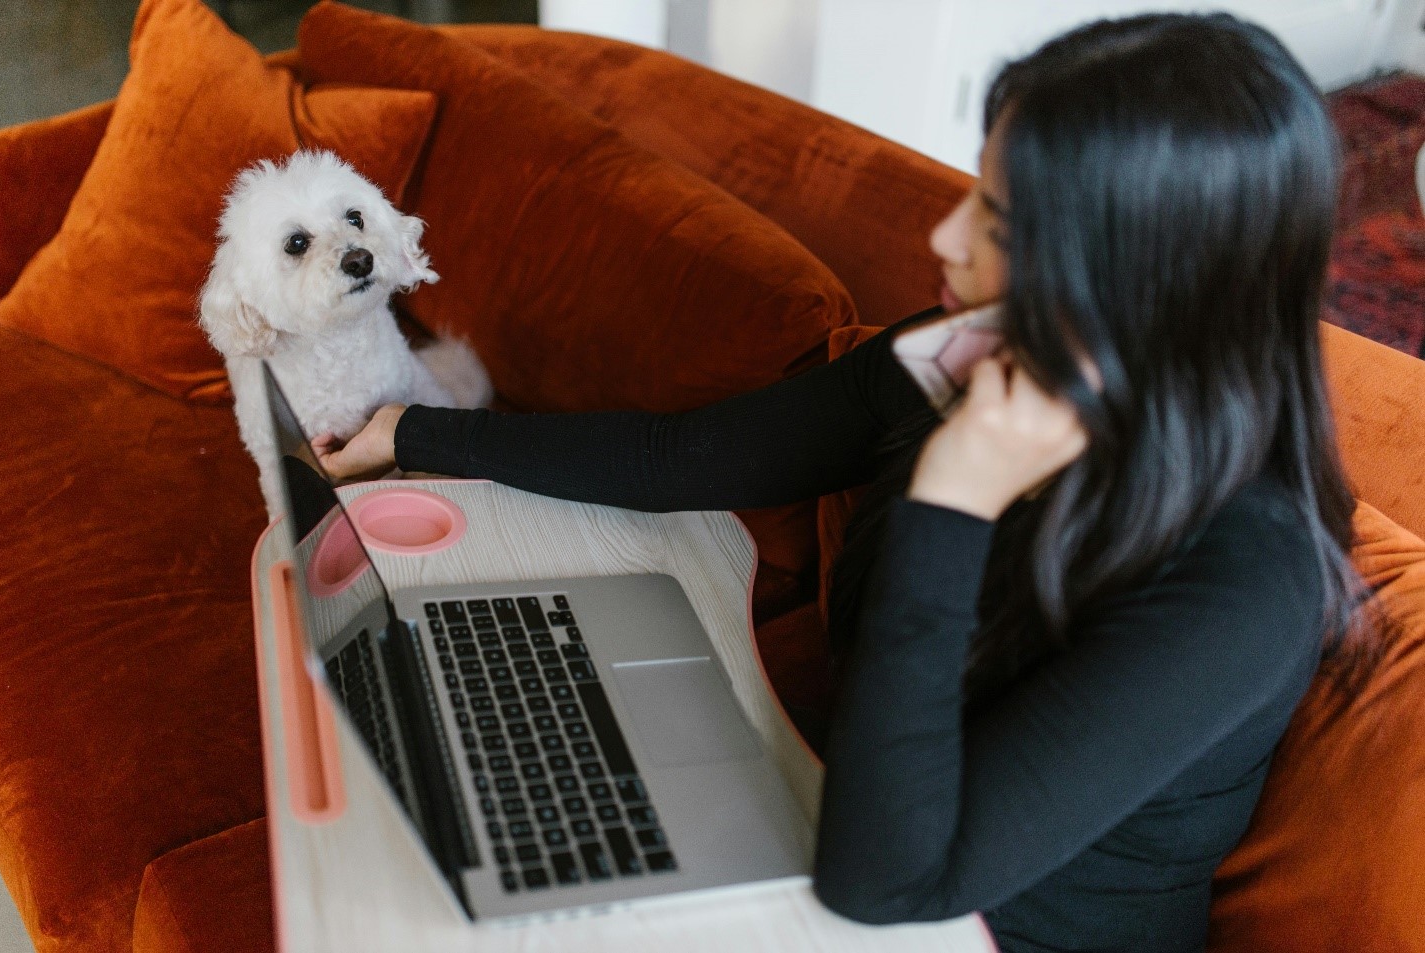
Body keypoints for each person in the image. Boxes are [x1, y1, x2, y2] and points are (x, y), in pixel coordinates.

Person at [312, 12, 1373, 951]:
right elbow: (680, 457)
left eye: (998, 225)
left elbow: (888, 881)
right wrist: (422, 434)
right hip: (837, 832)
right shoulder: (965, 359)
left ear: (1135, 278)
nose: (943, 237)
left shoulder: (1246, 576)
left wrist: (949, 503)